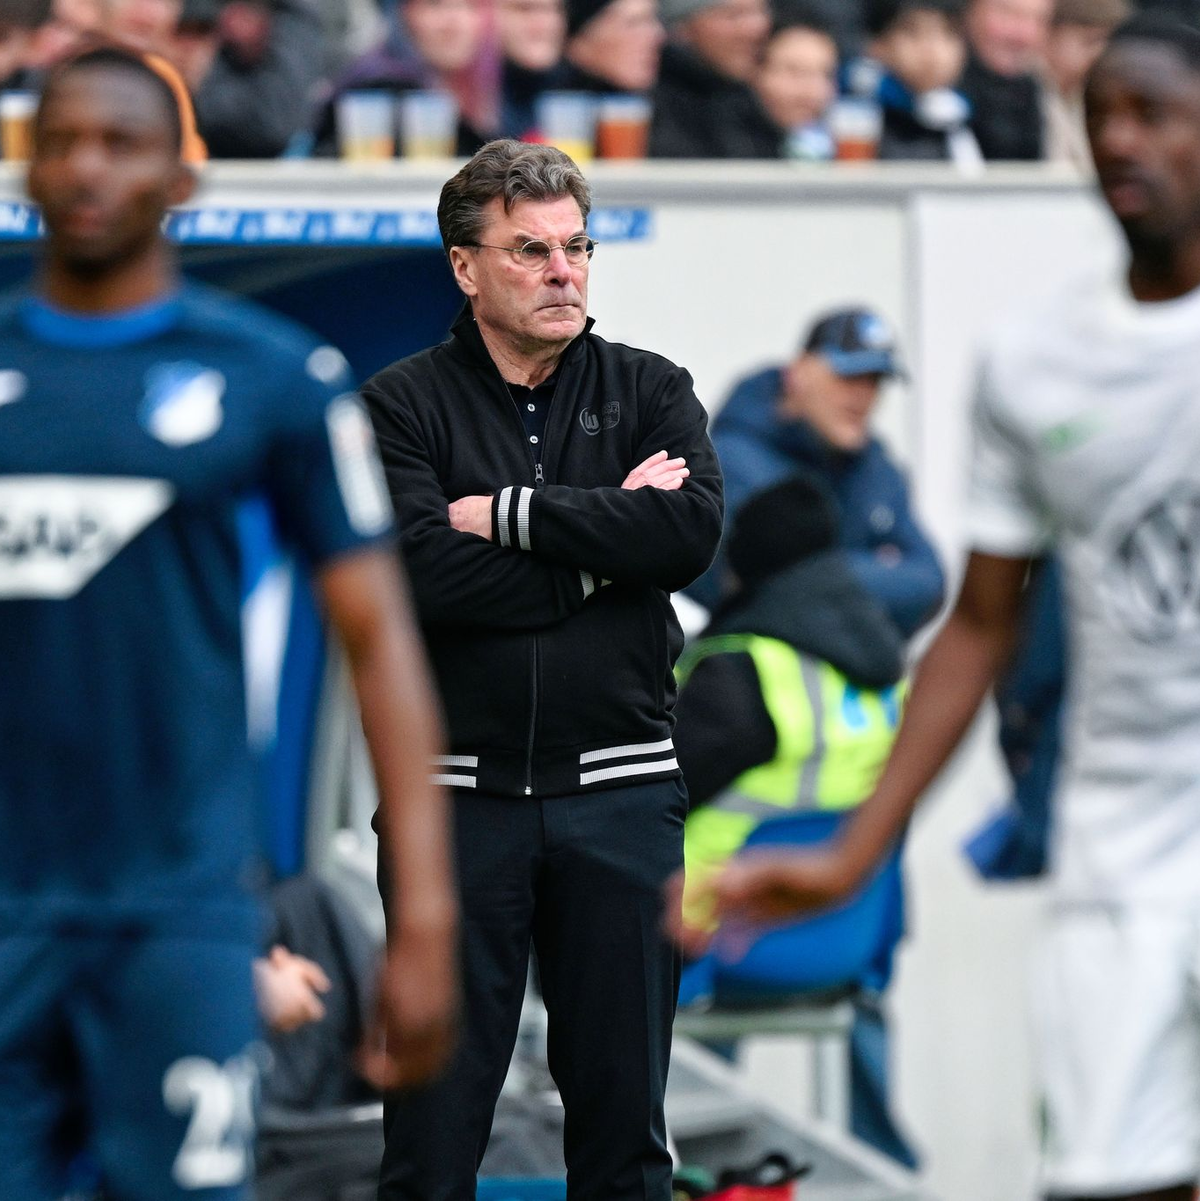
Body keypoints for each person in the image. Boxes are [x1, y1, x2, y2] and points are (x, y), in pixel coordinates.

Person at [676, 15, 1200, 1201]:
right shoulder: (1034, 361)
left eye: (1155, 112)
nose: (1120, 138)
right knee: (1108, 1178)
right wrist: (855, 848)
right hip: (1117, 851)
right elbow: (973, 621)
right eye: (1100, 111)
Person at [0, 46, 458, 1201]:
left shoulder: (269, 377)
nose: (88, 167)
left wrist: (428, 914)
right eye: (61, 143)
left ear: (182, 178)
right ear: (27, 171)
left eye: (121, 142)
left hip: (183, 911)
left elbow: (378, 639)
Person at [363, 139, 723, 1201]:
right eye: (530, 251)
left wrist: (514, 518)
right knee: (430, 1145)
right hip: (453, 808)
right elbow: (421, 576)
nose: (564, 271)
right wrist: (598, 557)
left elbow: (691, 533)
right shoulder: (399, 404)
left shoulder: (652, 387)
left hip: (621, 797)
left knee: (624, 1139)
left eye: (576, 247)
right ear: (466, 268)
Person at [673, 475, 917, 1167]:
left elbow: (652, 794)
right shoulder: (882, 674)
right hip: (842, 940)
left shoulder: (744, 670)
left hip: (714, 937)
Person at [686, 306, 945, 640]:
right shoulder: (730, 461)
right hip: (748, 682)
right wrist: (878, 570)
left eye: (875, 381)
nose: (863, 395)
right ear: (798, 373)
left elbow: (928, 580)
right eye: (849, 376)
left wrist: (821, 572)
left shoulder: (877, 468)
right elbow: (762, 592)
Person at [649, 0, 780, 157]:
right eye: (733, 15)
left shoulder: (748, 99)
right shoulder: (650, 112)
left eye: (761, 11)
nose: (756, 28)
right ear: (681, 28)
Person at [861, 0, 983, 165]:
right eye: (913, 32)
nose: (932, 50)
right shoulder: (859, 112)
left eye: (948, 33)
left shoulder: (966, 116)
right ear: (878, 45)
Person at [958, 0, 1052, 159]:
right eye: (1008, 13)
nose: (1024, 35)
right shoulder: (936, 94)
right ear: (970, 11)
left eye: (1039, 20)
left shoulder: (1036, 91)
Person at [1042, 0, 1129, 169]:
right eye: (1090, 42)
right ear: (1049, 36)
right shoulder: (1025, 95)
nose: (1099, 56)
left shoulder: (1089, 98)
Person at [753, 12, 840, 160]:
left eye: (825, 74)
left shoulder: (848, 142)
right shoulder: (718, 139)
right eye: (796, 72)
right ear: (756, 72)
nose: (814, 91)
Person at [558, 0, 665, 97]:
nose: (658, 35)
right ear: (579, 42)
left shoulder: (672, 103)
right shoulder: (552, 107)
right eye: (634, 23)